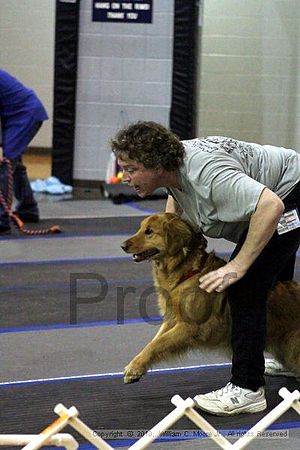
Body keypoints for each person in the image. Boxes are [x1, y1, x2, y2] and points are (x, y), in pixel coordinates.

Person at [111, 121, 300, 416]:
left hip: (289, 194)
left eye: (131, 169)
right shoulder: (175, 168)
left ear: (156, 164)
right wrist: (168, 223)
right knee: (271, 282)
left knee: (245, 285)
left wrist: (237, 266)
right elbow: (178, 190)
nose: (125, 176)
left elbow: (272, 207)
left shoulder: (209, 175)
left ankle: (246, 388)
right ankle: (276, 347)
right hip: (275, 190)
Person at [0, 69, 48, 233]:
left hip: (24, 115)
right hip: (17, 115)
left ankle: (1, 220)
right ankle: (28, 209)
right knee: (15, 165)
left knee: (4, 165)